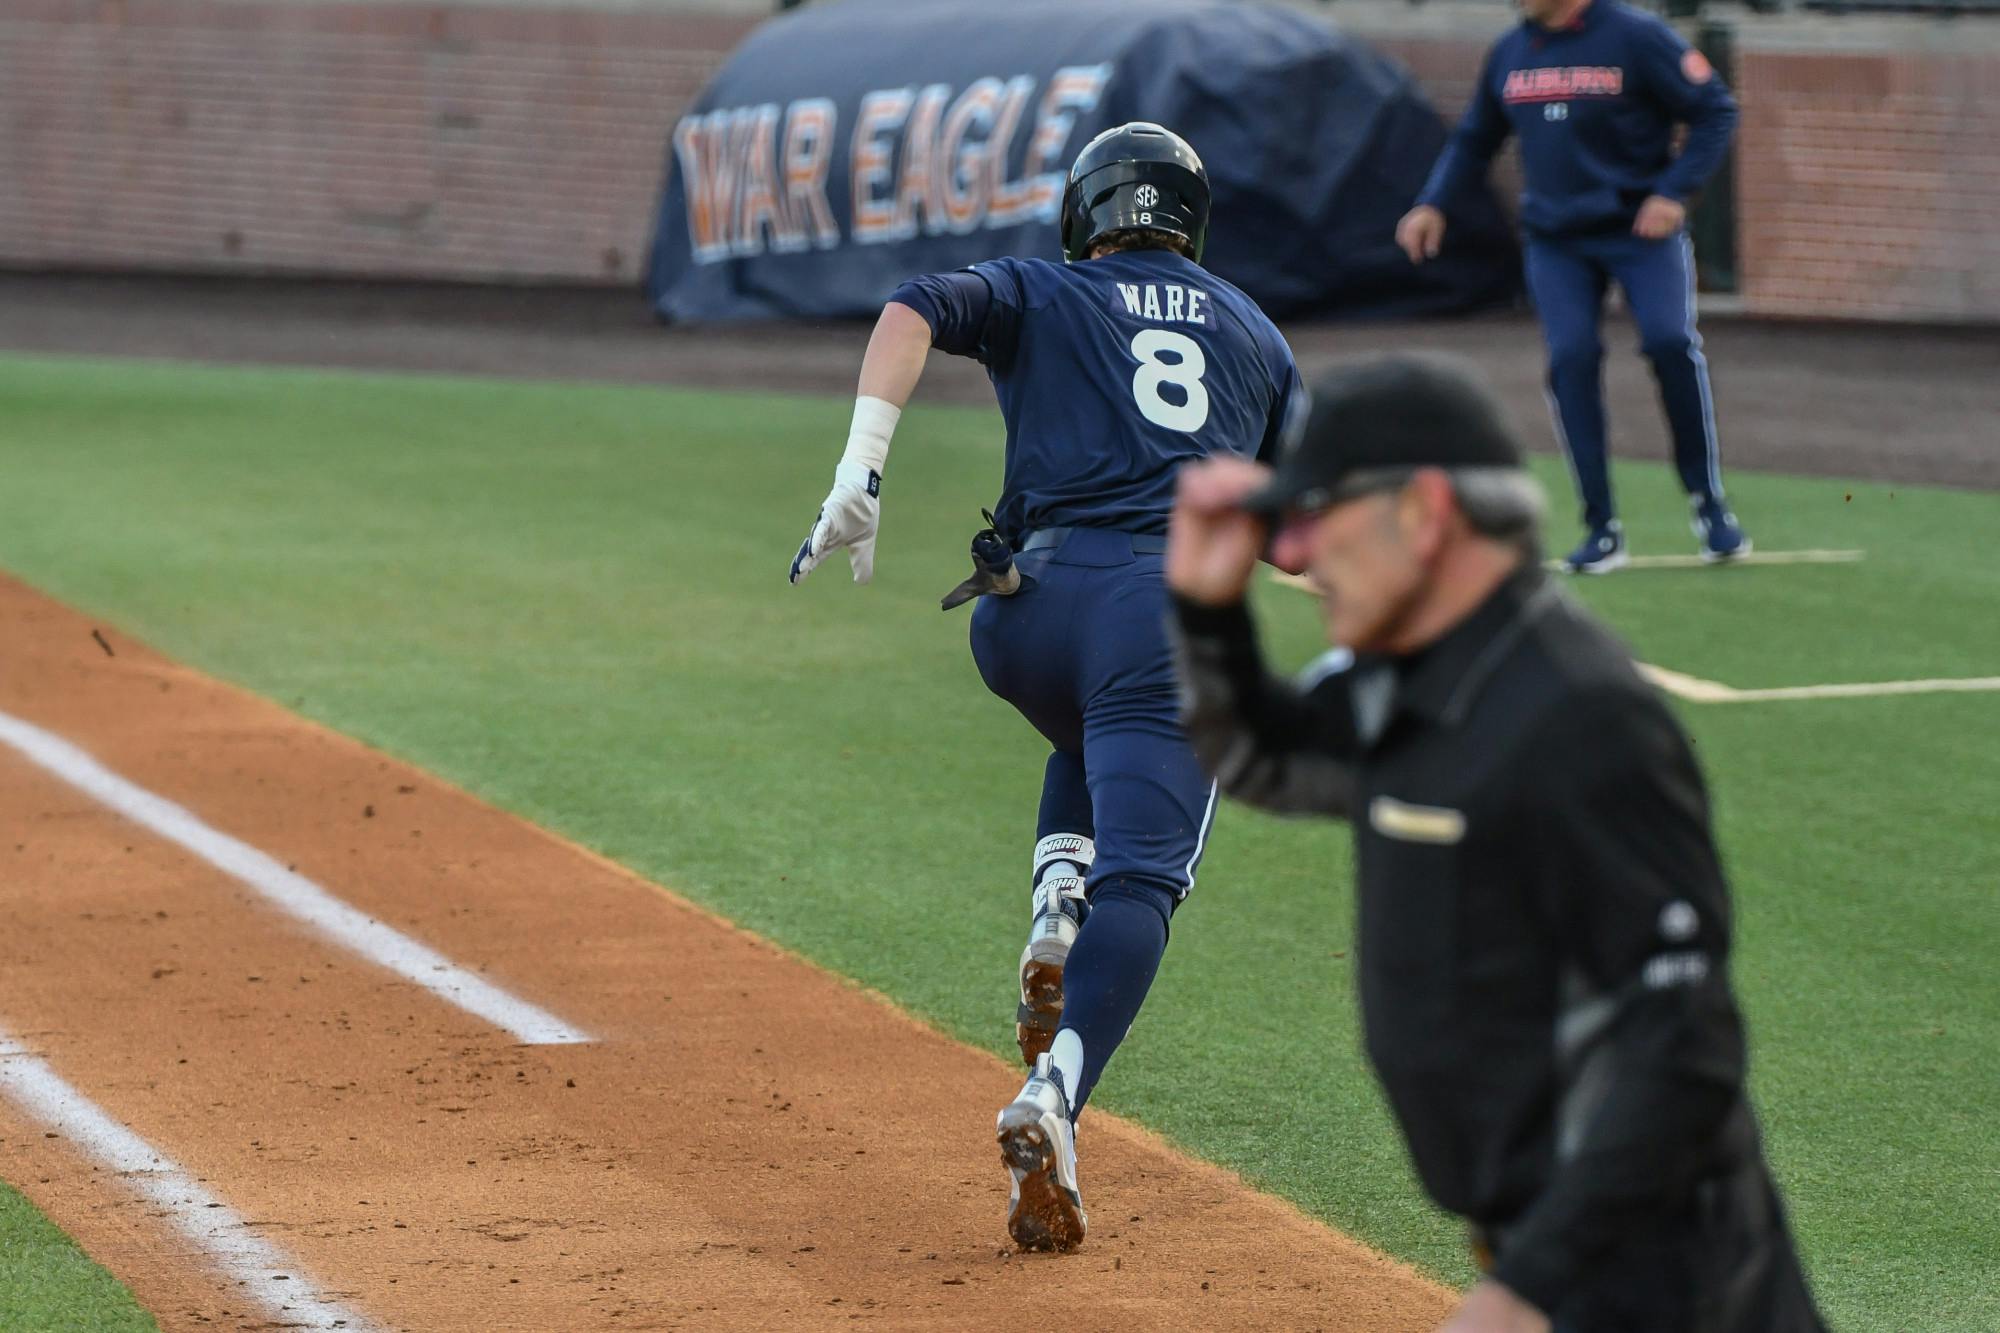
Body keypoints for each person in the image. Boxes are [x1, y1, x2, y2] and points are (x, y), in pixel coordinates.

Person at [1162, 354, 1825, 1332]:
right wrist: (1207, 613)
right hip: (1553, 1254)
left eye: (1316, 515)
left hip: (1664, 1279)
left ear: (1424, 514)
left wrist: (1528, 1293)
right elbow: (1260, 758)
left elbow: (1682, 1047)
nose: (1294, 550)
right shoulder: (1403, 681)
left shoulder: (1576, 716)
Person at [788, 122, 1302, 1252]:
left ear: (1088, 213)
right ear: (1188, 222)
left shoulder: (1043, 287)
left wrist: (858, 473)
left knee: (1088, 726)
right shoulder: (1255, 332)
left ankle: (1054, 906)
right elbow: (1300, 536)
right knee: (1147, 879)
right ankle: (1054, 1096)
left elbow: (910, 306)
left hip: (1021, 616)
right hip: (1161, 617)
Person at [1395, 0, 1749, 574]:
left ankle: (1708, 502)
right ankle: (1601, 526)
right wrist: (1432, 203)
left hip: (1640, 229)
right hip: (1557, 240)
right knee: (1572, 358)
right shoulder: (1510, 51)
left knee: (1668, 342)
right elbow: (1474, 139)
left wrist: (1674, 191)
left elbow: (1715, 109)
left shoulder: (1636, 36)